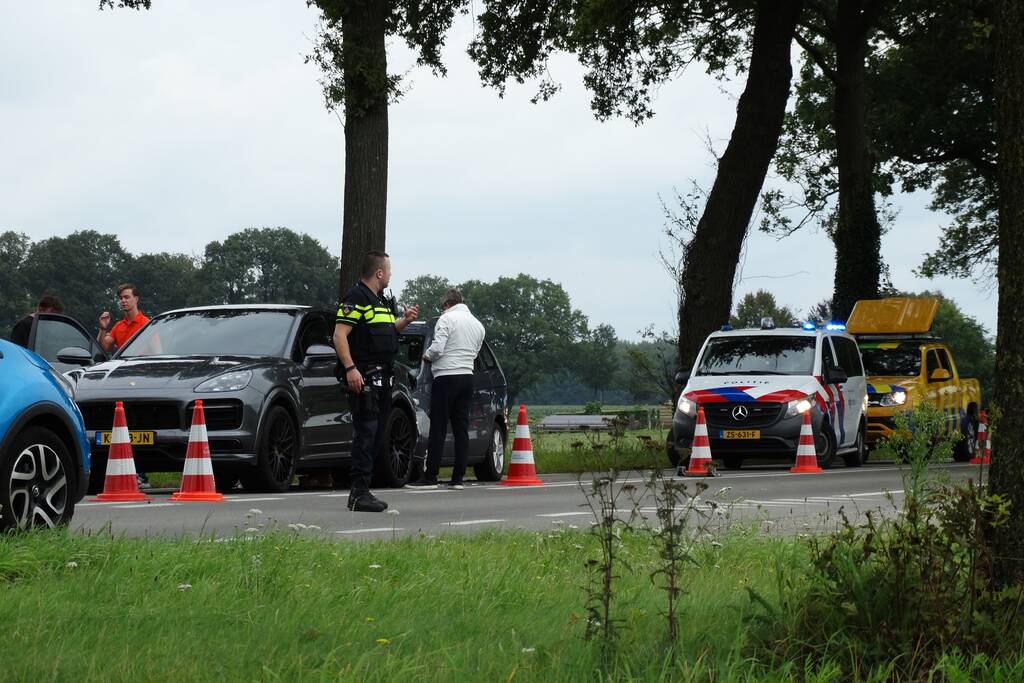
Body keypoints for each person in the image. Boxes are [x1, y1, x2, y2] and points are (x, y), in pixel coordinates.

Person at [333, 251, 419, 512]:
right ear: (379, 273)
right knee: (366, 434)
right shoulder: (356, 298)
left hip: (383, 378)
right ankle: (359, 494)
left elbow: (384, 333)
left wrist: (403, 322)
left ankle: (363, 491)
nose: (391, 274)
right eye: (389, 270)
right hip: (365, 379)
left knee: (376, 435)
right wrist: (350, 368)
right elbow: (339, 335)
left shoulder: (380, 302)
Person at [406, 288, 485, 490]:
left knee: (439, 427)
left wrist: (427, 356)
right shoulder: (478, 325)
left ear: (446, 305)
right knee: (461, 428)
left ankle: (430, 476)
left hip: (446, 377)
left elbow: (439, 346)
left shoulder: (447, 319)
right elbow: (475, 352)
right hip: (467, 377)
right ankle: (458, 478)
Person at [97, 283, 150, 353]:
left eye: (126, 297)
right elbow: (101, 348)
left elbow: (157, 352)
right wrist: (102, 329)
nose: (123, 300)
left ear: (136, 299)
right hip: (123, 363)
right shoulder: (118, 326)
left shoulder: (147, 324)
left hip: (140, 363)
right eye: (121, 298)